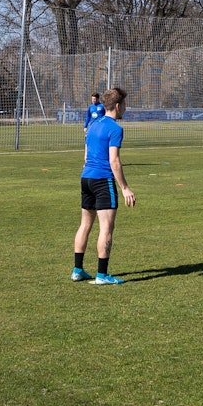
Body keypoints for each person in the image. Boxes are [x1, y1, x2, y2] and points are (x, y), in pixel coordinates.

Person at [73, 87, 136, 285]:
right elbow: (114, 161)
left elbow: (86, 151)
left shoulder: (92, 124)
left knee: (85, 224)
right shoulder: (115, 128)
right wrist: (125, 187)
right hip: (103, 180)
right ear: (117, 106)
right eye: (124, 105)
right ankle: (102, 275)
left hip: (86, 178)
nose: (125, 109)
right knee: (106, 227)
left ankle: (77, 270)